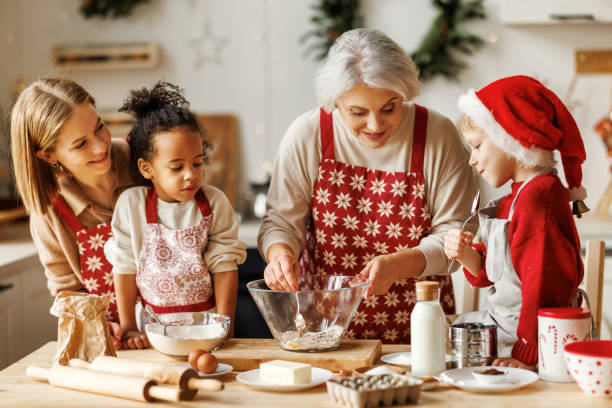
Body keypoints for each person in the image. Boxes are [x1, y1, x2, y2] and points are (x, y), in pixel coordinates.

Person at [258, 28, 477, 344]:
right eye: (358, 112)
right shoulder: (308, 134)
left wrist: (399, 265)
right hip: (323, 331)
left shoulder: (438, 135)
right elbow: (280, 221)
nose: (375, 125)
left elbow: (455, 238)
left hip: (418, 333)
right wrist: (279, 254)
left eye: (390, 107)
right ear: (335, 103)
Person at [444, 75, 586, 369]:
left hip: (535, 345)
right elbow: (500, 278)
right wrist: (467, 255)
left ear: (510, 137)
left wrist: (527, 354)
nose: (472, 159)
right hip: (508, 333)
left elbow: (544, 286)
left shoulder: (539, 199)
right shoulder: (517, 197)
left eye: (478, 145)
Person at [104, 82, 246, 349]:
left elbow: (225, 266)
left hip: (206, 329)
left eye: (197, 162)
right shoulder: (131, 206)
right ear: (147, 169)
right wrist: (129, 330)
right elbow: (124, 269)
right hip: (151, 333)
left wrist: (225, 328)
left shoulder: (214, 202)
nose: (191, 174)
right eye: (177, 167)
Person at [11, 78, 134, 349]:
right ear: (48, 156)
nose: (101, 146)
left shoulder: (144, 161)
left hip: (179, 331)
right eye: (80, 144)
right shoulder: (50, 211)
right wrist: (96, 321)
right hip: (116, 349)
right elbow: (66, 291)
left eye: (99, 126)